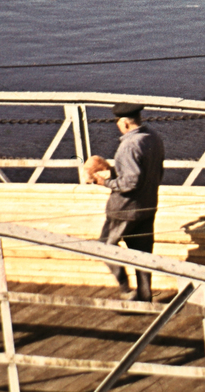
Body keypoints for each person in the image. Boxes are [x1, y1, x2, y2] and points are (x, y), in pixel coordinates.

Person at [89, 102, 165, 301]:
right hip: (147, 205)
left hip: (124, 209)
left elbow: (131, 181)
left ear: (124, 123)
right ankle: (145, 294)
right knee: (143, 253)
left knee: (104, 246)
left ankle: (125, 289)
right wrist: (114, 171)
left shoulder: (128, 145)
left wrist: (104, 181)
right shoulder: (154, 138)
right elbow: (151, 171)